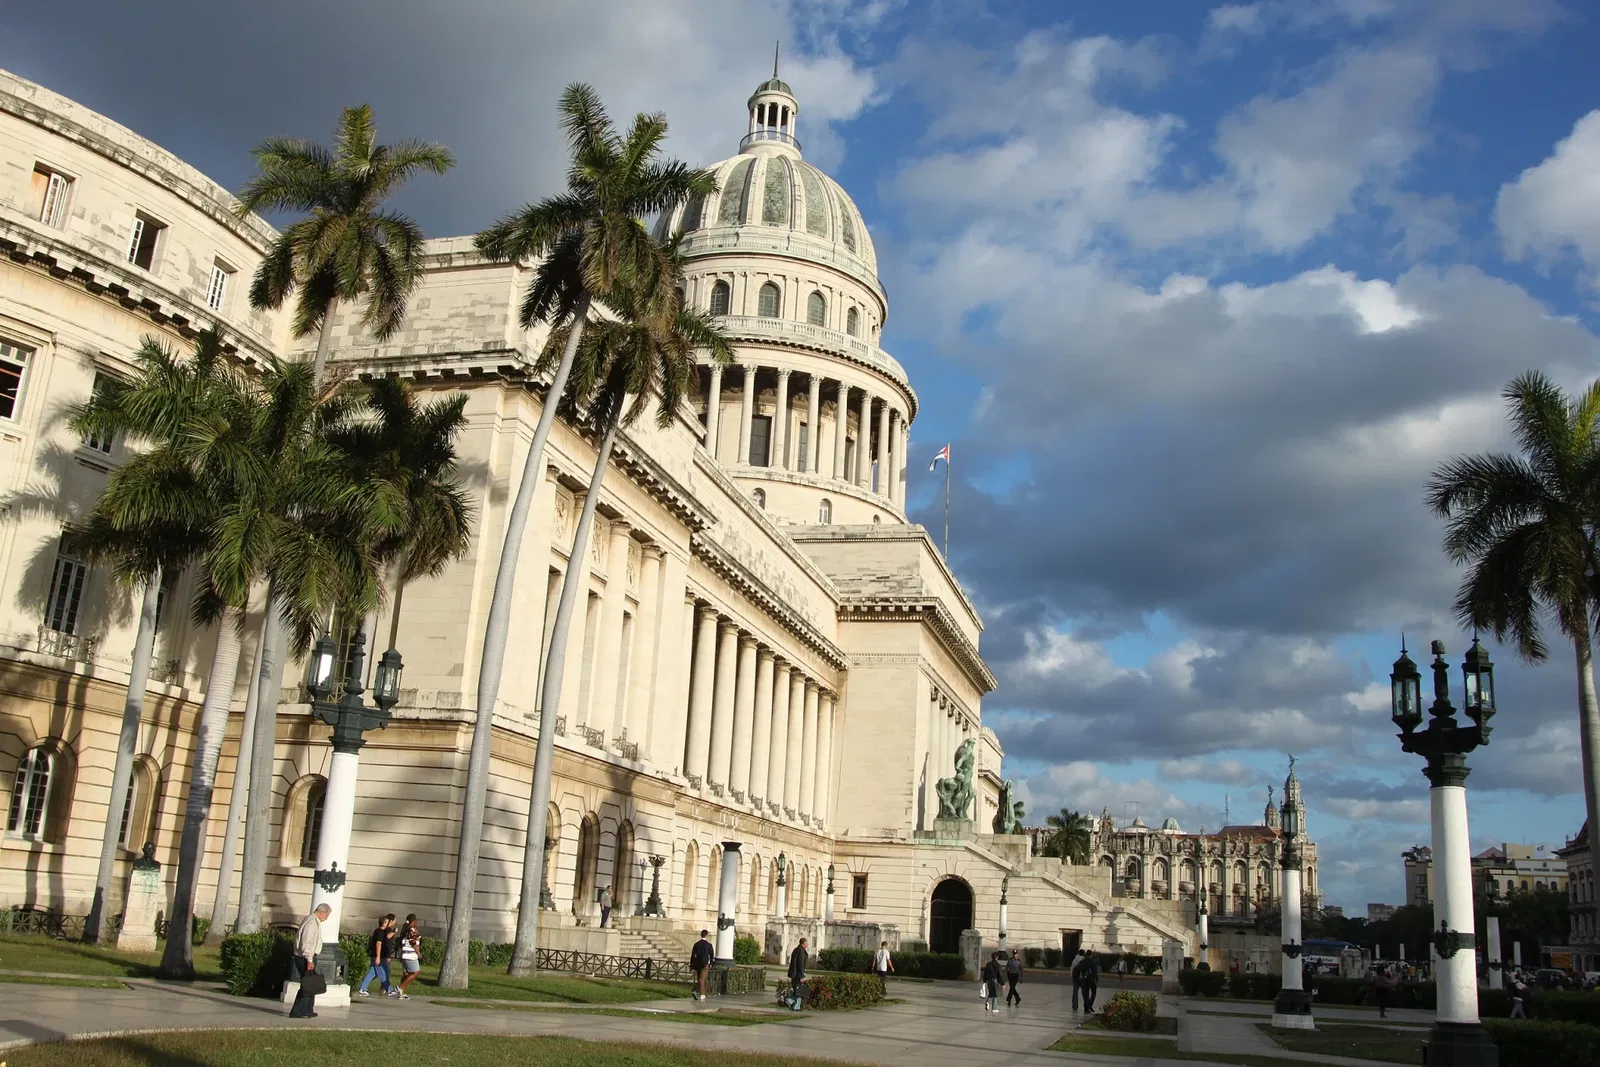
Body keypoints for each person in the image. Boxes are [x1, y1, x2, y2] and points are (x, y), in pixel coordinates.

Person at [289, 903, 329, 1018]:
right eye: (326, 915)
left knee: (311, 984)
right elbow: (306, 943)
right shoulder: (311, 923)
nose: (326, 918)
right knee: (307, 984)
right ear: (321, 912)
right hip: (305, 957)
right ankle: (298, 1011)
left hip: (308, 956)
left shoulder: (314, 921)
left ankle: (307, 1010)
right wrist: (309, 960)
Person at [357, 914, 396, 997]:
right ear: (384, 923)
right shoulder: (380, 932)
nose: (388, 924)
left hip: (377, 956)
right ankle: (389, 990)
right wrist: (378, 957)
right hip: (378, 956)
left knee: (372, 973)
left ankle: (363, 988)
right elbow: (378, 944)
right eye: (387, 922)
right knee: (383, 973)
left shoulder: (378, 931)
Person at [395, 914, 422, 999]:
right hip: (410, 955)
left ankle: (401, 993)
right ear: (414, 921)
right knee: (416, 972)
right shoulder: (411, 929)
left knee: (406, 973)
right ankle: (400, 988)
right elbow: (412, 942)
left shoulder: (406, 929)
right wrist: (418, 953)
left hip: (405, 954)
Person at [690, 929, 714, 1001]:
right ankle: (701, 993)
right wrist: (711, 963)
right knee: (702, 979)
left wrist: (691, 964)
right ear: (706, 935)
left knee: (700, 979)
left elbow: (693, 955)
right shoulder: (709, 945)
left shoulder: (696, 944)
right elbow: (711, 955)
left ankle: (697, 991)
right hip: (705, 964)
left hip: (697, 964)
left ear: (701, 935)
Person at [786, 937, 810, 1011]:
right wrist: (802, 975)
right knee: (799, 990)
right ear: (803, 943)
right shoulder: (801, 951)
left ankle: (796, 1006)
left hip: (794, 973)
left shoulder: (796, 949)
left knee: (797, 990)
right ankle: (790, 1000)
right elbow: (800, 964)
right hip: (797, 974)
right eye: (807, 943)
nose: (807, 944)